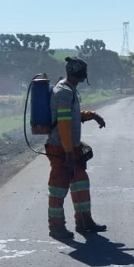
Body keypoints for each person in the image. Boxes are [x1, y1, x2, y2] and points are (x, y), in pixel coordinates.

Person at [45, 57, 108, 239]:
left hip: (69, 147)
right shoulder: (64, 92)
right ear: (80, 75)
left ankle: (84, 222)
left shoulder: (69, 90)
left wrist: (92, 115)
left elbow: (70, 116)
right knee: (58, 187)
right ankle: (56, 227)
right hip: (61, 149)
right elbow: (63, 124)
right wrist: (68, 153)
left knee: (80, 183)